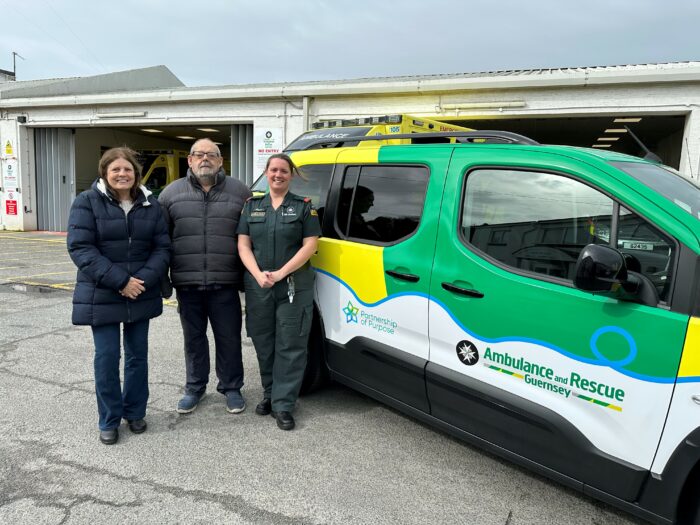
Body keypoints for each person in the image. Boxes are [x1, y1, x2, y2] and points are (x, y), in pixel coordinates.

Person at [67, 147, 170, 445]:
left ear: (136, 174)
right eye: (116, 170)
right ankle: (109, 419)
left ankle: (135, 411)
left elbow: (162, 247)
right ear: (104, 173)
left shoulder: (151, 204)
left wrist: (143, 281)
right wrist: (120, 281)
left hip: (140, 290)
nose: (122, 174)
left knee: (138, 357)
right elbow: (80, 248)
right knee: (107, 358)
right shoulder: (86, 202)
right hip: (102, 292)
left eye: (127, 170)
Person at [159, 138, 252, 415]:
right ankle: (194, 387)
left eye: (211, 155)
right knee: (194, 339)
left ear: (221, 161)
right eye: (199, 155)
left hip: (225, 282)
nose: (205, 159)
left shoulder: (240, 192)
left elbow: (251, 238)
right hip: (187, 284)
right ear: (189, 160)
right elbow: (161, 240)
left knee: (229, 337)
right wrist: (163, 279)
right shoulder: (170, 194)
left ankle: (232, 387)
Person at [237, 153, 321, 430]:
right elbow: (243, 245)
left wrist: (281, 273)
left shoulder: (304, 207)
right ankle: (270, 394)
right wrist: (257, 273)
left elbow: (310, 245)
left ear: (291, 175)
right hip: (258, 284)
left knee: (291, 345)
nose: (278, 175)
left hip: (292, 286)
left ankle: (284, 404)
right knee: (263, 341)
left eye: (284, 171)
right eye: (274, 170)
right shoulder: (252, 206)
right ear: (266, 172)